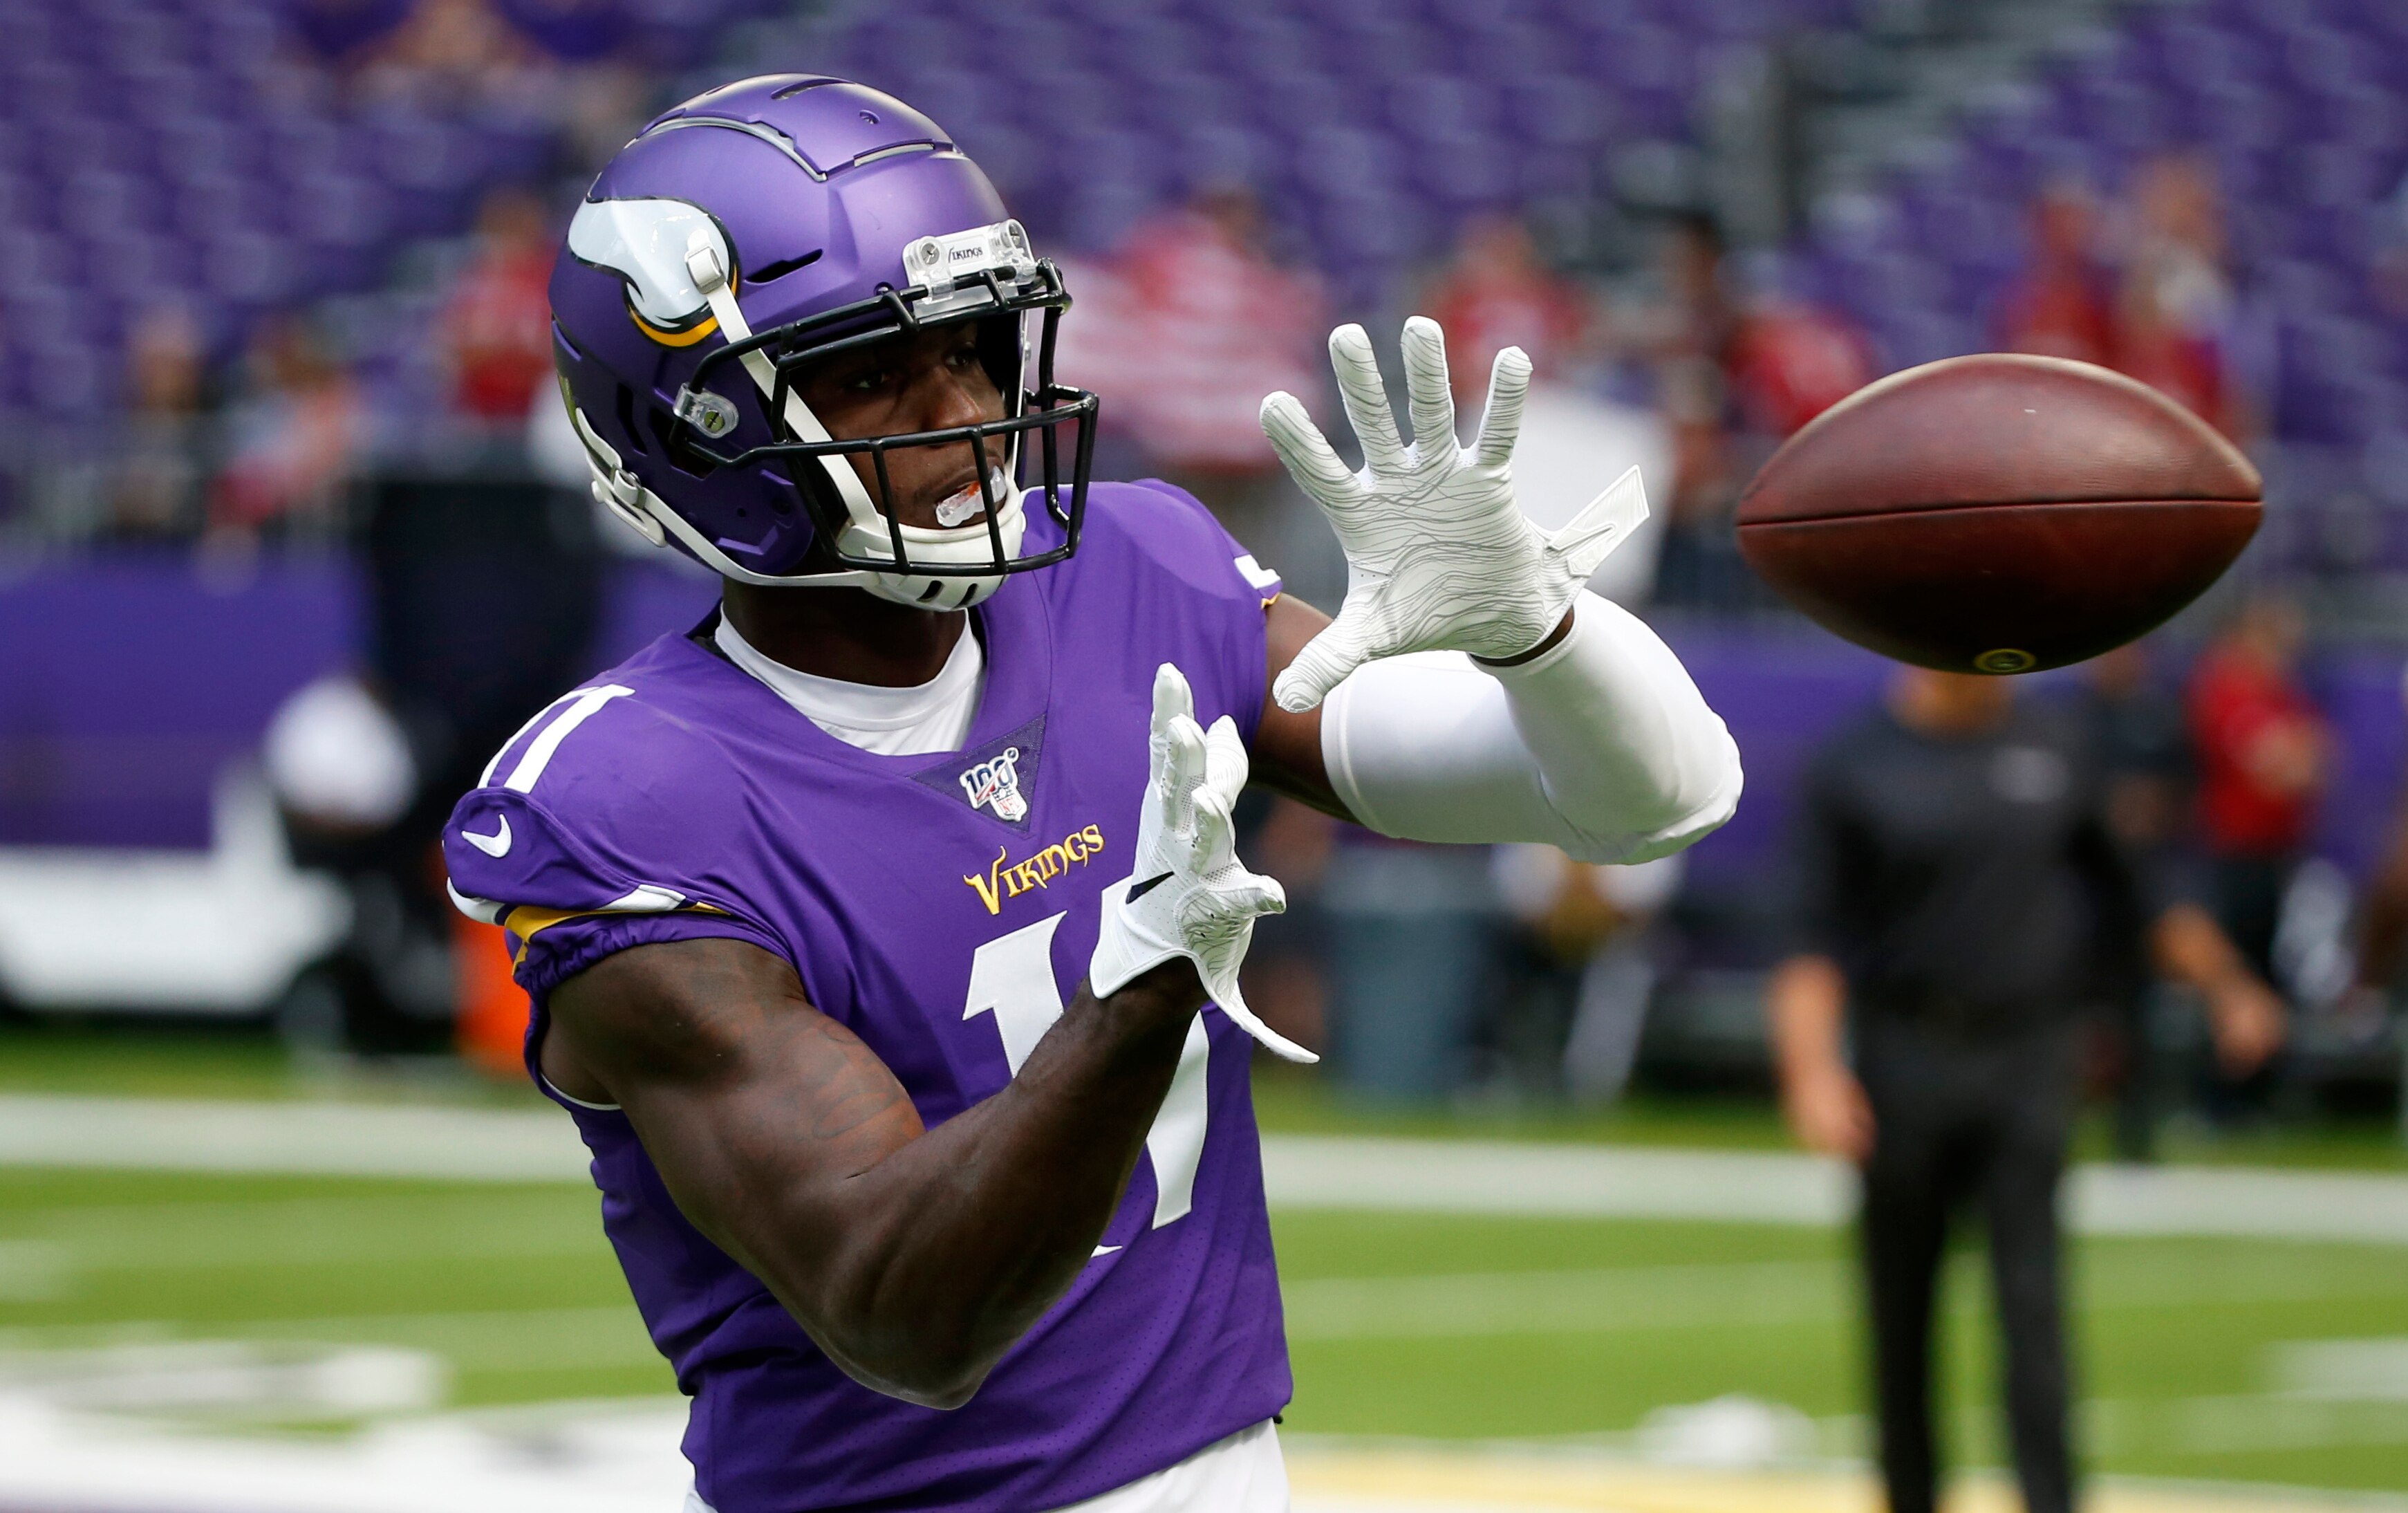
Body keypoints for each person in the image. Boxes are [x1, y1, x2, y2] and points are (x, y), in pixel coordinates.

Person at [445, 76, 1742, 1513]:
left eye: (973, 349)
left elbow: (1653, 797)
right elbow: (904, 1314)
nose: (964, 413)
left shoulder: (1128, 572)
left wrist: (1540, 634)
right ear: (694, 429)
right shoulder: (635, 801)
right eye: (871, 371)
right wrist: (1142, 983)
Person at [1768, 666, 2284, 1513]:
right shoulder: (1856, 762)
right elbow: (1811, 936)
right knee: (1901, 1308)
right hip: (1907, 1051)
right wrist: (1812, 1071)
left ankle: (2051, 1501)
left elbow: (2141, 896)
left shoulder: (2055, 746)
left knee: (2033, 1305)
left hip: (2027, 1053)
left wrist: (2228, 986)